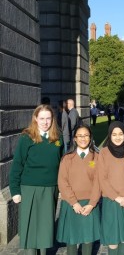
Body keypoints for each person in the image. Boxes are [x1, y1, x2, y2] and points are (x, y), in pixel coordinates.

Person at [9, 104, 64, 255]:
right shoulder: (27, 138)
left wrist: (63, 188)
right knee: (31, 227)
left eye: (48, 118)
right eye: (42, 119)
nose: (45, 122)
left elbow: (63, 166)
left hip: (50, 188)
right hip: (29, 188)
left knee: (45, 227)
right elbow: (17, 165)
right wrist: (15, 190)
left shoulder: (58, 137)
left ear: (52, 119)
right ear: (35, 119)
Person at [56, 124, 101, 255]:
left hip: (90, 204)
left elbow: (99, 182)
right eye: (80, 136)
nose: (83, 138)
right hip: (71, 204)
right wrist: (74, 203)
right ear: (75, 139)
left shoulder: (97, 157)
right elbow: (62, 182)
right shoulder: (67, 158)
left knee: (88, 239)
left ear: (90, 137)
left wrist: (92, 203)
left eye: (86, 135)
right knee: (72, 238)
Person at [96, 121, 124, 254]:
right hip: (111, 201)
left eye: (120, 134)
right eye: (114, 134)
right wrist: (116, 197)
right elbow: (102, 179)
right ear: (109, 135)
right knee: (113, 238)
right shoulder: (103, 153)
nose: (117, 137)